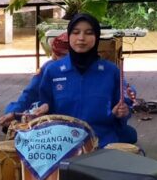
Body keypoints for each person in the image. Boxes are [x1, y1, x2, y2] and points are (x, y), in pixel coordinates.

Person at [30, 14, 137, 147]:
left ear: (96, 37)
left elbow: (123, 106)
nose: (81, 38)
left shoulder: (111, 71)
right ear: (69, 36)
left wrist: (122, 112)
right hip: (62, 143)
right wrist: (45, 107)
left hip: (102, 141)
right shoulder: (53, 70)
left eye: (88, 33)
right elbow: (43, 103)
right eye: (75, 32)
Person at [0, 33, 70, 128]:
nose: (67, 60)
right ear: (54, 54)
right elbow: (30, 93)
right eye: (62, 55)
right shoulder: (49, 68)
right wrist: (14, 113)